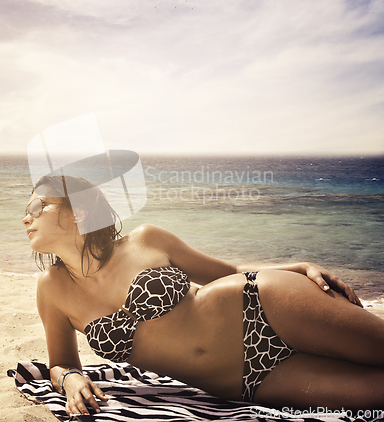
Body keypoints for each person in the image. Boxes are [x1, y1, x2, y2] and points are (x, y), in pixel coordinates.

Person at [22, 175, 384, 416]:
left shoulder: (146, 239)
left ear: (78, 211)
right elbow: (62, 362)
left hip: (263, 304)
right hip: (247, 382)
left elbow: (229, 272)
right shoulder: (51, 289)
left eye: (38, 207)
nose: (26, 218)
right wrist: (70, 380)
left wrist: (299, 267)